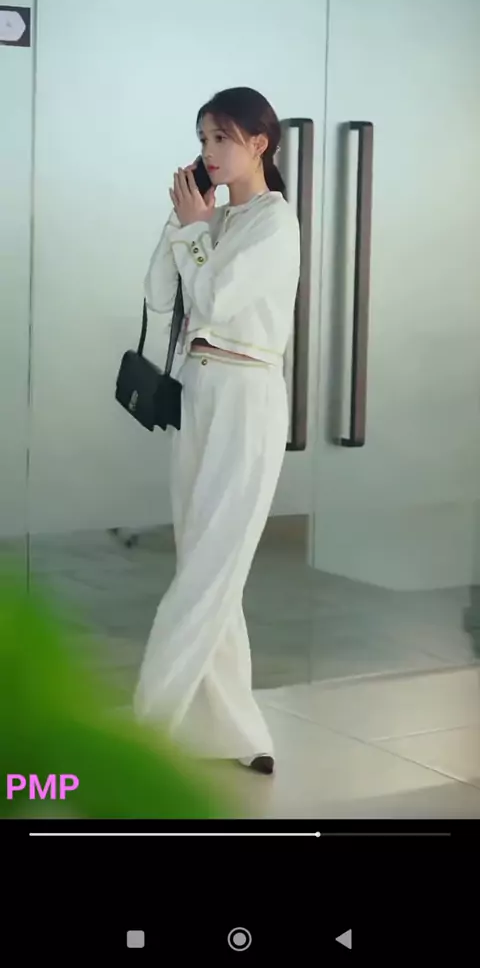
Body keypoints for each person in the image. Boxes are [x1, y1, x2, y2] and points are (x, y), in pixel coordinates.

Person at [134, 87, 300, 775]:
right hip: (198, 391)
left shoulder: (274, 223)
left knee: (209, 571)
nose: (209, 151)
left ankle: (146, 733)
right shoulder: (217, 219)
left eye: (222, 138)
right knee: (204, 565)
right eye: (203, 139)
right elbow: (161, 294)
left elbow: (216, 300)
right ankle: (241, 730)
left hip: (246, 395)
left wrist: (196, 231)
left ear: (260, 143)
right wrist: (181, 223)